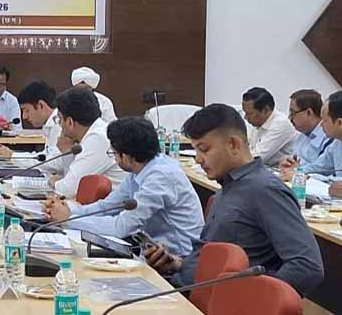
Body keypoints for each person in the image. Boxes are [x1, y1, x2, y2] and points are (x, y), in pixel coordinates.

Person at [144, 104, 324, 295]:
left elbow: (307, 266)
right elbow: (212, 260)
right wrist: (176, 264)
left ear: (233, 144)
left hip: (214, 301)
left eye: (204, 149)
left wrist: (253, 300)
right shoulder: (226, 189)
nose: (198, 159)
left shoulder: (265, 190)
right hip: (186, 288)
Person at [43, 117, 204, 257]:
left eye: (113, 153)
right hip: (151, 252)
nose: (113, 157)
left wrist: (68, 220)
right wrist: (67, 210)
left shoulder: (160, 177)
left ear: (125, 156)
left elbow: (121, 227)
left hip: (178, 262)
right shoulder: (139, 170)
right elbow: (106, 207)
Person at [46, 87, 126, 197]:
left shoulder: (98, 139)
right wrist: (67, 153)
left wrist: (53, 182)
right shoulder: (93, 133)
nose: (59, 125)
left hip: (114, 206)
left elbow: (68, 190)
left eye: (59, 119)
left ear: (70, 122)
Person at [0, 81, 59, 167]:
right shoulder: (49, 124)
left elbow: (54, 164)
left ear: (41, 105)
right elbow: (43, 157)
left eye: (27, 110)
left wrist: (12, 156)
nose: (24, 117)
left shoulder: (59, 124)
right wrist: (11, 154)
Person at [242, 87, 298, 168]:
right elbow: (248, 149)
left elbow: (257, 158)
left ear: (266, 110)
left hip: (281, 170)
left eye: (249, 113)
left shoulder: (281, 123)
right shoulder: (257, 122)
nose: (245, 117)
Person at [288, 89, 331, 166]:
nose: (290, 118)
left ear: (309, 113)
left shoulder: (328, 137)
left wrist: (298, 169)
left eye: (293, 113)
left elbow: (321, 169)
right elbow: (293, 160)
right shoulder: (303, 134)